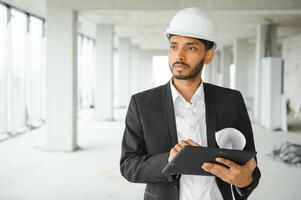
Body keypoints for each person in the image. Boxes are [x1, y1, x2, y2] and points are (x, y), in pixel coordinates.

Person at [120, 7, 261, 200]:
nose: (179, 55)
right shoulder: (142, 103)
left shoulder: (231, 101)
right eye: (174, 46)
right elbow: (128, 166)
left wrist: (245, 182)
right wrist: (168, 160)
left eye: (191, 47)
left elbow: (250, 166)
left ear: (209, 55)